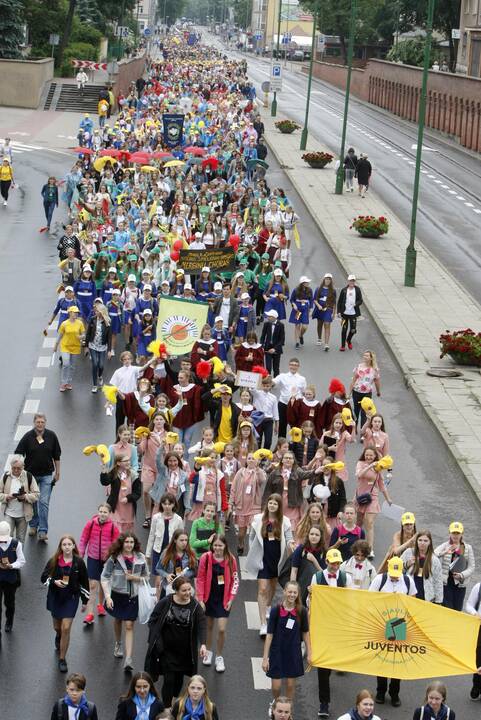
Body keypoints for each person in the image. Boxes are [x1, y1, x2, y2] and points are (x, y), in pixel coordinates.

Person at [144, 575, 207, 708]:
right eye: (184, 590)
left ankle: (173, 700)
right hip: (166, 651)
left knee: (179, 680)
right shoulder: (166, 602)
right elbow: (153, 620)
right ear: (176, 591)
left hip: (184, 652)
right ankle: (167, 708)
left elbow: (202, 624)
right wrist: (157, 640)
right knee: (169, 680)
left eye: (189, 589)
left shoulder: (194, 606)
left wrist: (203, 644)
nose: (188, 593)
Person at [310, 548, 353, 718]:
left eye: (338, 563)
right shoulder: (317, 577)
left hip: (339, 625)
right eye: (332, 563)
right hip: (322, 625)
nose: (335, 566)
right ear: (326, 562)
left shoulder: (346, 577)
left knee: (331, 662)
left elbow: (351, 600)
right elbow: (310, 601)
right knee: (322, 665)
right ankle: (324, 703)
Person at [369, 557, 417, 706]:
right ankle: (381, 691)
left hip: (400, 625)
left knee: (398, 660)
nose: (394, 576)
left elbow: (413, 601)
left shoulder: (408, 581)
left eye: (397, 573)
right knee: (382, 657)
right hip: (381, 623)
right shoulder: (379, 579)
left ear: (402, 570)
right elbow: (369, 599)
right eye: (392, 573)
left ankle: (394, 692)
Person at [246, 493, 294, 637]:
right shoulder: (258, 519)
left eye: (275, 503)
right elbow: (252, 538)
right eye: (270, 503)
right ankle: (263, 624)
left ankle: (268, 606)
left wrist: (292, 545)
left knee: (273, 586)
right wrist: (253, 555)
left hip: (277, 560)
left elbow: (289, 538)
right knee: (262, 589)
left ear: (279, 506)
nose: (272, 505)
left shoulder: (284, 521)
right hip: (263, 559)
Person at [101, 532, 149, 671]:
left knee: (129, 625)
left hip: (133, 597)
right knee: (118, 620)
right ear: (122, 543)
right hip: (117, 595)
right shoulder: (114, 559)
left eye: (131, 542)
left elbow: (146, 577)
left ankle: (128, 658)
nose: (129, 545)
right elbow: (104, 577)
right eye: (127, 542)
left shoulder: (140, 558)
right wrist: (108, 596)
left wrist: (135, 578)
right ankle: (118, 643)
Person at [41, 534, 89, 673]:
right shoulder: (54, 560)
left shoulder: (79, 563)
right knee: (58, 627)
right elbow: (43, 577)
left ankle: (62, 659)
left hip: (71, 599)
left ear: (73, 546)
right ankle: (59, 635)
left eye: (69, 544)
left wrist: (85, 601)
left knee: (66, 628)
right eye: (64, 545)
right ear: (60, 547)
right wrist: (54, 582)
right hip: (56, 597)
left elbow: (84, 582)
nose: (67, 547)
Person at [263, 581, 310, 713]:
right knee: (276, 686)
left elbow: (305, 633)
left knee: (290, 684)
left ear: (298, 594)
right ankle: (277, 704)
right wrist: (265, 658)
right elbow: (269, 634)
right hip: (277, 652)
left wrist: (310, 653)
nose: (292, 594)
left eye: (295, 592)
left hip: (293, 652)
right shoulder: (276, 610)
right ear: (284, 592)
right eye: (290, 591)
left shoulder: (301, 611)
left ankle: (287, 709)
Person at [15, 412, 61, 543]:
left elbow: (57, 456)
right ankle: (34, 525)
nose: (40, 424)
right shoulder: (28, 437)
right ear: (34, 423)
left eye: (42, 422)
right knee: (32, 501)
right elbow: (18, 453)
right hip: (31, 476)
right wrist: (19, 471)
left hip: (47, 475)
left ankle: (43, 531)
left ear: (45, 423)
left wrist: (58, 472)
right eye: (37, 422)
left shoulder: (51, 436)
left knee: (44, 502)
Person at [196, 534, 239, 673]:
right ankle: (208, 652)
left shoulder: (231, 559)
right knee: (208, 626)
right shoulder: (206, 558)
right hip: (209, 597)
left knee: (221, 629)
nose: (218, 548)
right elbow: (200, 578)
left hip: (224, 599)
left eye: (220, 545)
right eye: (215, 545)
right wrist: (200, 598)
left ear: (225, 545)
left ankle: (219, 657)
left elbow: (235, 581)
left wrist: (231, 599)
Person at [79, 503, 120, 625]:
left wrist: (113, 557)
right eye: (101, 511)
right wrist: (81, 554)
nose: (102, 514)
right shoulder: (91, 524)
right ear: (98, 512)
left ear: (109, 514)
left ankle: (100, 605)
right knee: (93, 585)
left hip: (106, 560)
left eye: (105, 512)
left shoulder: (113, 527)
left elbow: (116, 544)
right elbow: (83, 539)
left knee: (103, 583)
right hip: (92, 558)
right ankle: (90, 614)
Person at [434, 521, 475, 611]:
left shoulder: (467, 548)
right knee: (448, 609)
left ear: (462, 534)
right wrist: (445, 552)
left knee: (457, 609)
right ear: (449, 533)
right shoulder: (445, 546)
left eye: (458, 533)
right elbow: (433, 556)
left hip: (460, 583)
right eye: (453, 533)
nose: (455, 535)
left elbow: (471, 567)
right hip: (446, 583)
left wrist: (461, 575)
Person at [0, 454, 39, 543]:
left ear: (23, 467)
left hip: (23, 516)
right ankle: (7, 557)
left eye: (19, 468)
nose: (16, 470)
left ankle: (18, 557)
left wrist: (25, 496)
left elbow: (37, 495)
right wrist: (7, 497)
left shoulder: (29, 476)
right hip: (8, 514)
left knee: (20, 540)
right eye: (14, 468)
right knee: (6, 539)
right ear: (11, 466)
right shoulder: (5, 476)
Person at [100, 456, 141, 533]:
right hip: (115, 507)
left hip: (128, 509)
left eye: (129, 460)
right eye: (125, 461)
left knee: (126, 534)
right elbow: (105, 482)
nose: (128, 462)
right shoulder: (114, 473)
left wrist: (128, 498)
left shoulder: (133, 475)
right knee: (116, 532)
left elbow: (137, 493)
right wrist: (103, 470)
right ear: (118, 463)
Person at [400, 530, 443, 603]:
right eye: (420, 540)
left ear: (430, 543)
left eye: (425, 541)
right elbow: (397, 571)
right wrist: (407, 564)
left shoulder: (434, 560)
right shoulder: (408, 552)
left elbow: (438, 581)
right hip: (408, 594)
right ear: (416, 541)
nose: (422, 543)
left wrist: (439, 601)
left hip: (426, 597)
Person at [0, 520, 25, 636]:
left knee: (9, 603)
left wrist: (11, 565)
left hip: (11, 579)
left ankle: (9, 622)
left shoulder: (16, 544)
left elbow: (22, 561)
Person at [272, 358, 307, 438]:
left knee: (295, 426)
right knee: (282, 426)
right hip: (283, 403)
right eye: (292, 364)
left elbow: (304, 393)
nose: (293, 367)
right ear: (289, 365)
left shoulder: (302, 379)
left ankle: (296, 446)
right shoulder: (282, 376)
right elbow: (273, 382)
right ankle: (281, 446)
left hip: (296, 405)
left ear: (298, 366)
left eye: (295, 365)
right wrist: (265, 378)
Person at [54, 305, 85, 392]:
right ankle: (63, 383)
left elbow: (84, 334)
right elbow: (60, 336)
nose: (76, 314)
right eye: (74, 312)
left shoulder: (80, 323)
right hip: (65, 346)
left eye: (77, 312)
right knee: (66, 364)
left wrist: (81, 337)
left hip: (75, 347)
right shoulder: (64, 324)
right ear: (70, 313)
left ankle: (68, 382)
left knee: (72, 366)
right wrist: (55, 346)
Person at [349, 351, 381, 430]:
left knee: (365, 412)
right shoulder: (359, 366)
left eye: (367, 356)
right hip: (356, 392)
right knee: (356, 410)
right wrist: (349, 393)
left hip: (367, 393)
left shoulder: (374, 369)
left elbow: (377, 381)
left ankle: (363, 432)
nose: (365, 357)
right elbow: (354, 380)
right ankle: (354, 429)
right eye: (364, 355)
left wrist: (378, 391)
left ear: (371, 358)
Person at [84, 301, 112, 392]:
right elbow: (88, 333)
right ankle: (94, 385)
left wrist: (109, 350)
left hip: (102, 347)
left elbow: (109, 337)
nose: (96, 312)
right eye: (95, 311)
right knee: (95, 364)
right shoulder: (93, 319)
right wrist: (86, 346)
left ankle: (100, 376)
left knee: (101, 365)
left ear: (102, 312)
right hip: (93, 345)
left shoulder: (107, 321)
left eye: (97, 311)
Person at [337, 275, 363, 352]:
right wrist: (338, 311)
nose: (352, 282)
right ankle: (342, 345)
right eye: (350, 281)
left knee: (353, 329)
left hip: (353, 313)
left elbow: (360, 300)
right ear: (348, 281)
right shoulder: (344, 290)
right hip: (344, 313)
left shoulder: (357, 290)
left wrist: (356, 304)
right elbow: (339, 301)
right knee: (344, 329)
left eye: (353, 281)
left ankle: (348, 340)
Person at [466, 578, 481, 700]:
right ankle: (476, 684)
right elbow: (469, 605)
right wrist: (474, 613)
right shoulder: (478, 587)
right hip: (479, 627)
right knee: (478, 658)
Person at [312, 273, 336, 350]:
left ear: (331, 281)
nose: (327, 280)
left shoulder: (333, 290)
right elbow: (315, 300)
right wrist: (318, 305)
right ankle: (319, 338)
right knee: (320, 324)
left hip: (328, 309)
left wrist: (334, 313)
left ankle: (326, 344)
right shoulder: (318, 289)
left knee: (327, 324)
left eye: (329, 279)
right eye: (326, 279)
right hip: (319, 309)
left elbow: (334, 303)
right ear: (324, 279)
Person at [260, 309, 285, 377]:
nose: (267, 317)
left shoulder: (281, 325)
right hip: (267, 348)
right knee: (268, 367)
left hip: (277, 349)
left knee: (276, 368)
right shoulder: (266, 324)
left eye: (269, 316)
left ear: (274, 317)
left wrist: (274, 349)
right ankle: (268, 382)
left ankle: (276, 383)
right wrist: (261, 346)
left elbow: (282, 340)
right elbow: (263, 336)